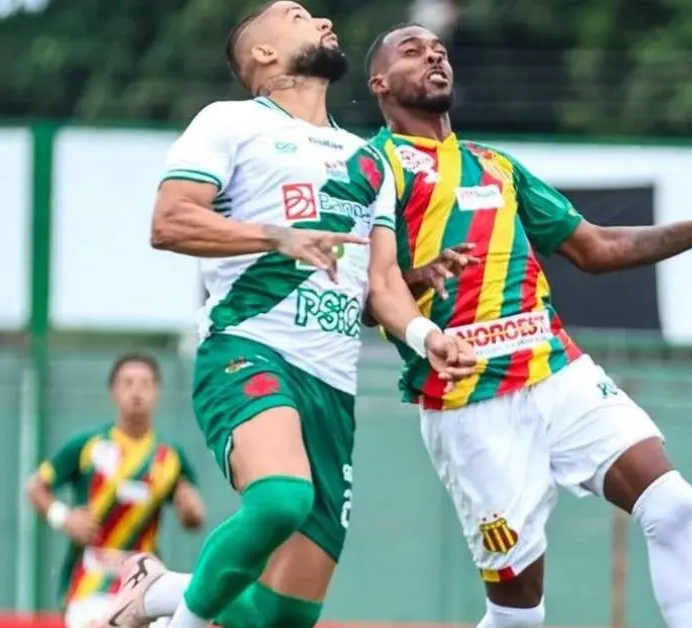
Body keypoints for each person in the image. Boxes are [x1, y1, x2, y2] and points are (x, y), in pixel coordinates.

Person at [363, 23, 692, 628]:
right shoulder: (373, 167)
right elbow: (363, 298)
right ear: (378, 83)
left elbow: (597, 248)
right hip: (470, 401)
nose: (434, 55)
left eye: (439, 49)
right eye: (413, 51)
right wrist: (420, 279)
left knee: (672, 503)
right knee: (519, 615)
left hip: (555, 370)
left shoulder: (495, 166)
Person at [92, 4, 477, 628]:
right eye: (297, 14)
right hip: (248, 348)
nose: (321, 17)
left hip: (331, 383)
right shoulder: (231, 122)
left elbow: (378, 282)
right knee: (280, 499)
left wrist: (424, 333)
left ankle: (158, 590)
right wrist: (277, 236)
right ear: (264, 54)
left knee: (284, 615)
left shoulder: (371, 161)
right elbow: (169, 221)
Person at [25, 354, 205, 628]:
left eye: (145, 384)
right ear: (113, 391)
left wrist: (191, 511)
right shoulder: (87, 445)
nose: (136, 392)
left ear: (157, 392)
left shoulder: (169, 457)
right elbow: (36, 487)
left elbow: (193, 516)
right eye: (128, 383)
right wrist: (63, 518)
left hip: (143, 579)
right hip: (90, 580)